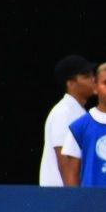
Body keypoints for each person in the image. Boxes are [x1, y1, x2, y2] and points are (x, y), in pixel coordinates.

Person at [39, 54, 94, 186]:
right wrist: (75, 199)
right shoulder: (64, 112)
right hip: (60, 196)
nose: (93, 80)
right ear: (70, 83)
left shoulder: (79, 112)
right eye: (86, 77)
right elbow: (65, 160)